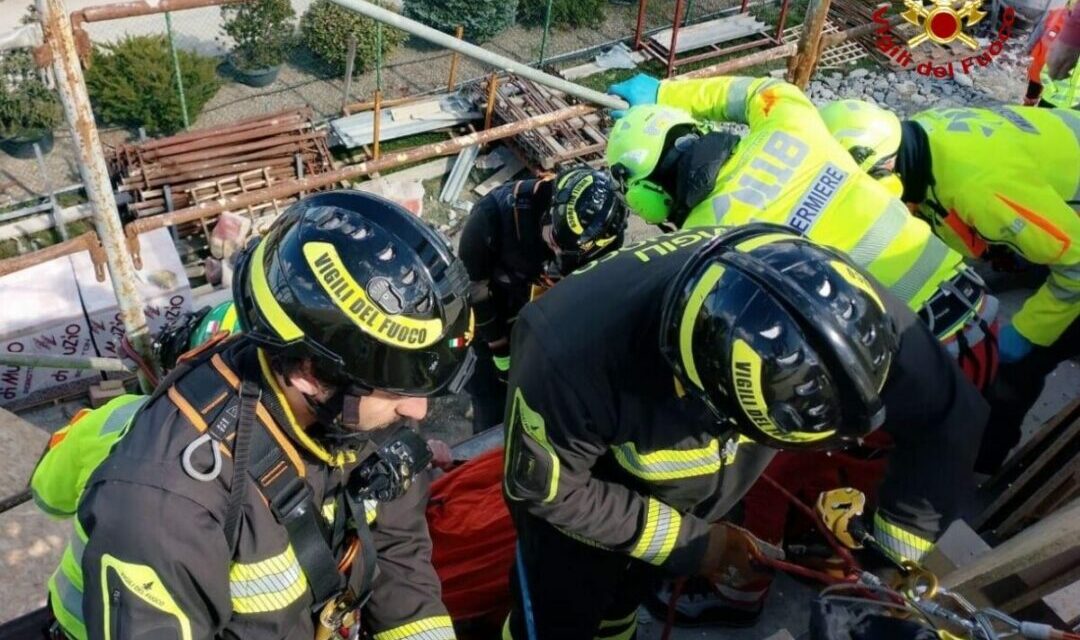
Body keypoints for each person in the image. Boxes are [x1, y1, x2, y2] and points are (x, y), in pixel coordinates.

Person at [501, 223, 988, 639]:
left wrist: (886, 559)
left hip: (690, 489)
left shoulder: (825, 299)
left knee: (627, 595)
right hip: (583, 511)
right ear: (705, 400)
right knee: (560, 615)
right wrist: (694, 543)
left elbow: (947, 414)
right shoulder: (564, 355)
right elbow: (551, 493)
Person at [31, 191, 474, 640]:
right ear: (308, 374)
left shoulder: (358, 408)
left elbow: (399, 558)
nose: (418, 411)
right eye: (399, 392)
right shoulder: (164, 505)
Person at [605, 74, 997, 389]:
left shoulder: (709, 237)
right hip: (977, 303)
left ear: (648, 196)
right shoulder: (790, 123)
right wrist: (665, 91)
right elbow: (764, 89)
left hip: (915, 360)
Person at [819, 99, 1080, 471]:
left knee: (1011, 375)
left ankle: (981, 464)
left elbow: (1077, 265)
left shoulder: (981, 190)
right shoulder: (917, 137)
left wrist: (1026, 333)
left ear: (886, 170)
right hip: (1056, 185)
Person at [459, 166, 627, 433]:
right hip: (494, 316)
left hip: (550, 321)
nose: (557, 253)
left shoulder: (606, 234)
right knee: (489, 395)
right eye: (555, 240)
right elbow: (473, 288)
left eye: (569, 251)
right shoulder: (492, 219)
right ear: (550, 208)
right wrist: (499, 349)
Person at [1024, 0, 1080, 109]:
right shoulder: (1055, 15)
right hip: (1043, 67)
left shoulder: (1057, 15)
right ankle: (1027, 106)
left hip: (1053, 76)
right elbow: (1038, 32)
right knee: (1034, 93)